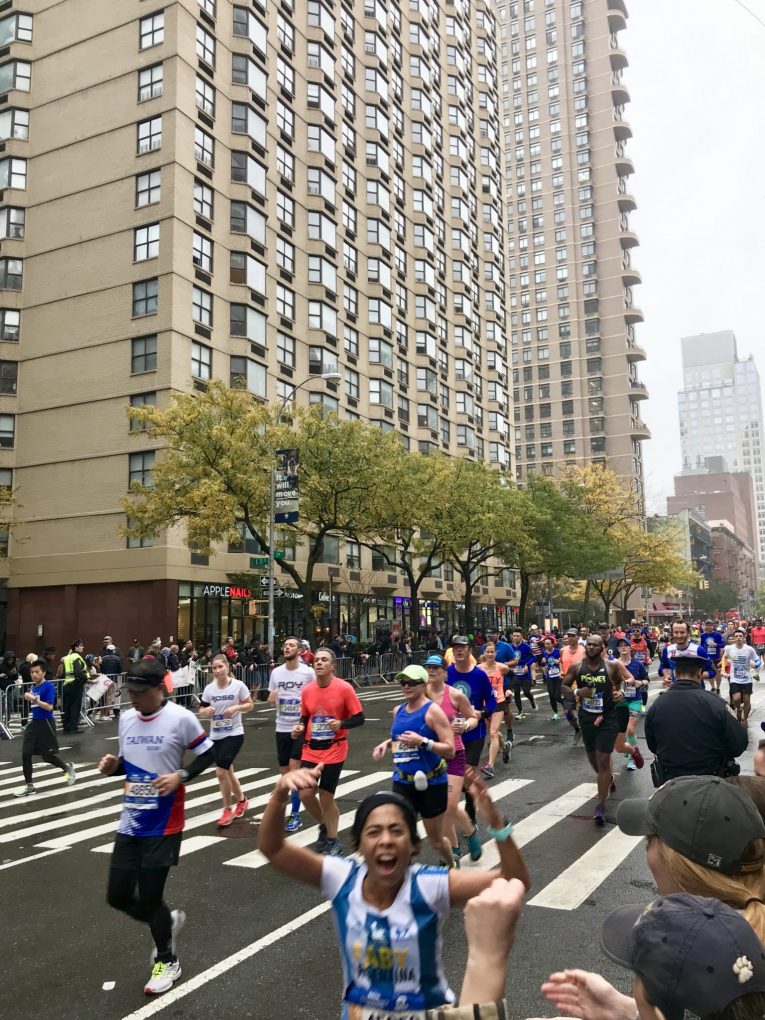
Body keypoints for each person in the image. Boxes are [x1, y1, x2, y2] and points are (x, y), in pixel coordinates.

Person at [257, 771, 529, 1018]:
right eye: (373, 832)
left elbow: (514, 881)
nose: (385, 840)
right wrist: (279, 795)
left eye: (396, 831)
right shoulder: (341, 878)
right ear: (360, 846)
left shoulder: (429, 885)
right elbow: (273, 849)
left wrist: (498, 825)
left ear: (413, 846)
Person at [98, 658, 215, 995]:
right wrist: (113, 766)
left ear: (159, 688)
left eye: (139, 692)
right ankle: (164, 920)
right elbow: (129, 764)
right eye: (129, 691)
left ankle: (167, 959)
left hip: (165, 824)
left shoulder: (181, 719)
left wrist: (181, 775)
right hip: (131, 822)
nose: (133, 698)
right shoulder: (126, 720)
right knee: (117, 895)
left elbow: (209, 754)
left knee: (150, 896)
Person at [372, 664, 456, 866]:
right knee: (402, 835)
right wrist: (386, 744)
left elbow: (450, 750)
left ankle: (452, 863)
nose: (406, 686)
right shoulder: (398, 710)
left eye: (411, 682)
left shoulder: (432, 712)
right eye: (403, 682)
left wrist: (423, 742)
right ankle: (401, 877)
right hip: (402, 781)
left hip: (431, 783)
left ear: (423, 684)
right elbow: (400, 738)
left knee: (436, 841)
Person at [291, 647, 364, 856]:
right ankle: (326, 826)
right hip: (311, 748)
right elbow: (305, 717)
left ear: (332, 666)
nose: (319, 663)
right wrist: (300, 727)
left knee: (325, 795)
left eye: (324, 660)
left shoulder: (344, 689)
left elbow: (360, 718)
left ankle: (333, 840)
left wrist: (341, 723)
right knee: (305, 794)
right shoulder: (307, 691)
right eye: (317, 660)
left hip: (335, 748)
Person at [562, 634, 639, 826]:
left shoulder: (611, 666)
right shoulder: (577, 667)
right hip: (587, 717)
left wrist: (620, 692)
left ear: (603, 647)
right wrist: (578, 692)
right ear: (585, 647)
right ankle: (607, 778)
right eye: (589, 644)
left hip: (608, 716)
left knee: (604, 758)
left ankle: (601, 805)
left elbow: (621, 681)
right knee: (593, 759)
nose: (592, 647)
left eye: (596, 645)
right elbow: (563, 687)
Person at [646, 651, 748, 783]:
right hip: (712, 780)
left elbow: (653, 745)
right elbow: (739, 744)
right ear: (700, 673)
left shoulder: (657, 705)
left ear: (676, 673)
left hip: (671, 782)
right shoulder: (717, 703)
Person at [424, 653, 481, 866]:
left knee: (449, 805)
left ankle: (471, 831)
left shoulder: (455, 695)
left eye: (435, 668)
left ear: (445, 673)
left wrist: (465, 726)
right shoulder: (421, 695)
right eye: (428, 668)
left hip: (454, 754)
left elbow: (473, 717)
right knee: (441, 808)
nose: (431, 672)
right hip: (430, 757)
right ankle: (454, 848)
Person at [447, 636, 497, 861]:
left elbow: (492, 701)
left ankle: (469, 811)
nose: (459, 651)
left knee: (468, 774)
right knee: (453, 777)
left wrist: (482, 714)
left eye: (463, 648)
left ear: (469, 650)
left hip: (474, 733)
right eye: (455, 648)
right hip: (449, 733)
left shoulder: (479, 675)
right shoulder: (447, 672)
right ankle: (458, 813)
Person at [198, 653, 253, 827]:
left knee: (221, 772)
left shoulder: (238, 686)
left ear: (228, 667)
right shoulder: (209, 689)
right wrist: (205, 712)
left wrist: (237, 707)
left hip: (235, 733)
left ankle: (227, 809)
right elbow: (201, 709)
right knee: (228, 771)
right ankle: (242, 801)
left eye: (220, 666)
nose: (217, 670)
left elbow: (250, 704)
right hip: (216, 735)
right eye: (214, 668)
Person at [268, 636, 317, 831]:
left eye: (291, 645)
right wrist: (271, 699)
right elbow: (272, 697)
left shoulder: (308, 673)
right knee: (285, 774)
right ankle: (286, 809)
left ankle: (295, 815)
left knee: (294, 769)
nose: (287, 648)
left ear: (299, 651)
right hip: (281, 726)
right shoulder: (276, 673)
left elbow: (315, 695)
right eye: (286, 645)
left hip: (300, 727)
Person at [15, 659, 76, 797]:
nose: (34, 675)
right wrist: (27, 696)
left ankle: (67, 768)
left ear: (43, 673)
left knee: (47, 756)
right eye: (32, 672)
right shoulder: (34, 687)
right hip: (34, 724)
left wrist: (33, 699)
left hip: (46, 723)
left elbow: (49, 707)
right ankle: (29, 786)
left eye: (37, 672)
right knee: (26, 753)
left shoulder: (48, 687)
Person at [476, 641, 511, 777]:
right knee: (493, 732)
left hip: (498, 702)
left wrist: (508, 690)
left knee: (493, 733)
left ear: (496, 653)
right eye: (487, 652)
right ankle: (505, 747)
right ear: (484, 653)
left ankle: (490, 766)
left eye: (492, 652)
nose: (490, 654)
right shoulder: (478, 669)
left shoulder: (502, 668)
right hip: (484, 705)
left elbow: (510, 680)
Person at [615, 637, 648, 771]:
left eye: (626, 645)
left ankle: (631, 759)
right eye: (620, 646)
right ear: (617, 649)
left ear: (630, 648)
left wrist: (640, 682)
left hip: (635, 700)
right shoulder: (613, 664)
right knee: (621, 732)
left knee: (630, 729)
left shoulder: (637, 664)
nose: (623, 647)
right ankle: (628, 747)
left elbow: (646, 680)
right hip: (619, 702)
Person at [658, 619, 714, 688]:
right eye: (676, 632)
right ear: (672, 633)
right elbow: (663, 667)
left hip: (695, 692)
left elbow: (712, 671)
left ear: (688, 633)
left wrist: (694, 677)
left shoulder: (699, 650)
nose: (679, 636)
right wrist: (667, 676)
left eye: (682, 632)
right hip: (675, 691)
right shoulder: (667, 650)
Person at [722, 629, 761, 725]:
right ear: (734, 638)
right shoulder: (729, 648)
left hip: (746, 679)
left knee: (747, 700)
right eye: (736, 636)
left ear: (743, 637)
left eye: (740, 636)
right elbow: (724, 658)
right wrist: (723, 670)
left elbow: (757, 660)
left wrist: (755, 665)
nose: (738, 637)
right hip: (734, 679)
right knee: (736, 699)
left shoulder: (749, 649)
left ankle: (745, 718)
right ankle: (738, 710)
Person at [506, 628, 537, 719]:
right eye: (514, 636)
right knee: (516, 693)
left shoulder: (526, 646)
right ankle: (520, 712)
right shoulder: (510, 647)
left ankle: (532, 701)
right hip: (515, 674)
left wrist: (527, 665)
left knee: (527, 692)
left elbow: (533, 657)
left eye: (517, 636)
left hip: (525, 673)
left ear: (521, 637)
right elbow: (508, 659)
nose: (515, 637)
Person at [60, 638, 89, 733]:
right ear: (76, 647)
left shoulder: (67, 657)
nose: (83, 647)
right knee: (75, 706)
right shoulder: (76, 657)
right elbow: (78, 672)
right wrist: (85, 678)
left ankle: (66, 727)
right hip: (75, 685)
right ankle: (73, 727)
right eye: (81, 645)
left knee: (67, 706)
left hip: (67, 684)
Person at [701, 618, 726, 694]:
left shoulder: (717, 635)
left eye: (710, 625)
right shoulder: (703, 635)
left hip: (717, 657)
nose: (708, 627)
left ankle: (718, 688)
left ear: (713, 626)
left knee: (718, 672)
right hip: (707, 657)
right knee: (709, 671)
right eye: (707, 625)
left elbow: (722, 645)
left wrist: (715, 645)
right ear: (705, 626)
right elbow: (701, 645)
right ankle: (713, 687)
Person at [540, 636, 562, 721]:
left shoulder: (558, 651)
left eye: (549, 644)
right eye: (546, 644)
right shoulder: (544, 652)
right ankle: (556, 713)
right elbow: (542, 665)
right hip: (549, 676)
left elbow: (562, 661)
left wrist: (559, 661)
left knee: (557, 696)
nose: (547, 645)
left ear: (553, 644)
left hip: (558, 676)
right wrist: (543, 664)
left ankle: (566, 705)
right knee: (551, 695)